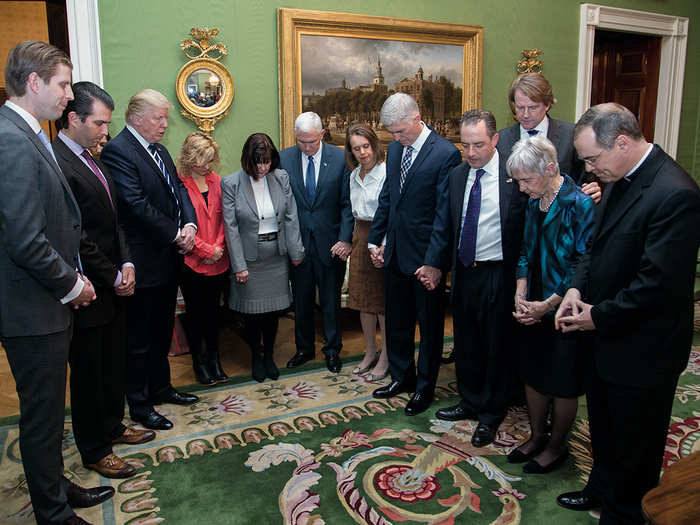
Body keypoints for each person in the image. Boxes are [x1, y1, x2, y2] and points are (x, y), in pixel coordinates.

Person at [554, 103, 700, 523]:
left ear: (621, 142)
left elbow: (656, 287)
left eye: (590, 158)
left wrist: (595, 316)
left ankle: (623, 512)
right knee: (604, 425)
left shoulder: (676, 194)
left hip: (645, 347)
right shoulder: (616, 174)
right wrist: (576, 288)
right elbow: (595, 246)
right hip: (606, 335)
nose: (587, 168)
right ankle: (600, 489)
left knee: (635, 443)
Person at [0, 41, 112, 525]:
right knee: (42, 415)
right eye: (64, 85)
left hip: (44, 301)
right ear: (35, 82)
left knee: (48, 414)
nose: (69, 96)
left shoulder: (28, 133)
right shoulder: (10, 139)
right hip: (33, 305)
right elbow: (25, 239)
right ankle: (51, 512)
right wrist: (73, 285)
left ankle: (54, 487)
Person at [53, 81, 156, 480]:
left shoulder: (93, 157)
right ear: (74, 118)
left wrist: (127, 265)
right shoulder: (59, 161)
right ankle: (94, 448)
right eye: (98, 123)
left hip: (114, 282)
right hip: (88, 287)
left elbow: (115, 223)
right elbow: (76, 234)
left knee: (113, 363)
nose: (104, 132)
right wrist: (112, 274)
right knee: (90, 372)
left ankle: (113, 426)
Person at [101, 89, 199, 431]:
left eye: (164, 118)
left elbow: (179, 190)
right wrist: (176, 234)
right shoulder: (119, 152)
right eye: (158, 118)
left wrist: (189, 224)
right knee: (140, 338)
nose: (164, 124)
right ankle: (141, 405)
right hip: (141, 261)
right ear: (136, 118)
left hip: (166, 260)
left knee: (161, 331)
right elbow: (135, 204)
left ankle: (162, 388)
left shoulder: (158, 150)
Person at [433, 109, 527, 447]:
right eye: (465, 145)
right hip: (464, 272)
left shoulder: (515, 175)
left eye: (479, 145)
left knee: (495, 345)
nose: (471, 153)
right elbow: (446, 225)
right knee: (467, 341)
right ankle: (470, 400)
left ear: (495, 139)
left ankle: (491, 412)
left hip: (498, 274)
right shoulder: (458, 176)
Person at [368, 93, 462, 416]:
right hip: (395, 253)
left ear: (417, 117)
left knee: (430, 326)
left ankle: (424, 388)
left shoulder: (446, 154)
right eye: (391, 133)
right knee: (397, 323)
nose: (396, 139)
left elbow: (443, 215)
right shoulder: (395, 150)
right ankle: (402, 377)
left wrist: (434, 262)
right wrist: (374, 240)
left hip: (425, 260)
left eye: (401, 131)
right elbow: (388, 198)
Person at [505, 135, 594, 473]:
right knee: (532, 370)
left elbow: (581, 262)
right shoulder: (533, 202)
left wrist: (550, 304)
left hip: (567, 301)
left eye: (527, 180)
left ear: (552, 168)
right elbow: (526, 250)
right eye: (518, 181)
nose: (522, 188)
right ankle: (536, 436)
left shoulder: (578, 203)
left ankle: (557, 447)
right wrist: (521, 288)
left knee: (561, 379)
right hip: (536, 297)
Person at [222, 133, 304, 382]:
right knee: (253, 315)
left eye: (266, 161)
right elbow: (230, 227)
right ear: (247, 160)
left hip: (276, 258)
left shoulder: (280, 178)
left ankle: (268, 356)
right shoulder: (231, 183)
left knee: (272, 313)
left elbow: (291, 216)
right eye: (257, 162)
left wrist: (296, 251)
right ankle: (256, 358)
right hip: (249, 260)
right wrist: (239, 265)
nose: (262, 167)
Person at [279, 112, 353, 373]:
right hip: (298, 244)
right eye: (302, 142)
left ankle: (332, 350)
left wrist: (345, 238)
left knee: (331, 302)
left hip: (330, 243)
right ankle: (304, 349)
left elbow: (347, 203)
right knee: (301, 300)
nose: (307, 148)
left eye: (312, 141)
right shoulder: (284, 158)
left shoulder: (340, 158)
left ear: (322, 134)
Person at [497, 73, 601, 203]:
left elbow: (586, 180)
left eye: (533, 107)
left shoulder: (571, 135)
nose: (525, 114)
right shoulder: (501, 140)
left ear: (547, 105)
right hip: (516, 221)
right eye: (520, 107)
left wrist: (592, 191)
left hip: (559, 218)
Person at [177, 132, 230, 385]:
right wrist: (206, 251)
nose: (206, 165)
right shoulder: (179, 183)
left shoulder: (216, 181)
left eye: (210, 160)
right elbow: (181, 225)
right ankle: (198, 362)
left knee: (214, 313)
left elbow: (224, 219)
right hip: (192, 262)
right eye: (201, 160)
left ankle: (214, 359)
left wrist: (217, 248)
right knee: (196, 314)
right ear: (189, 157)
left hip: (219, 260)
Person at [344, 123, 389, 381]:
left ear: (374, 145)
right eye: (356, 148)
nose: (363, 153)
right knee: (362, 300)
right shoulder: (353, 176)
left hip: (380, 237)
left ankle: (386, 356)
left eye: (365, 146)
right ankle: (370, 352)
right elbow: (353, 213)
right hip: (360, 237)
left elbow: (389, 213)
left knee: (380, 302)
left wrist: (383, 244)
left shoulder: (385, 173)